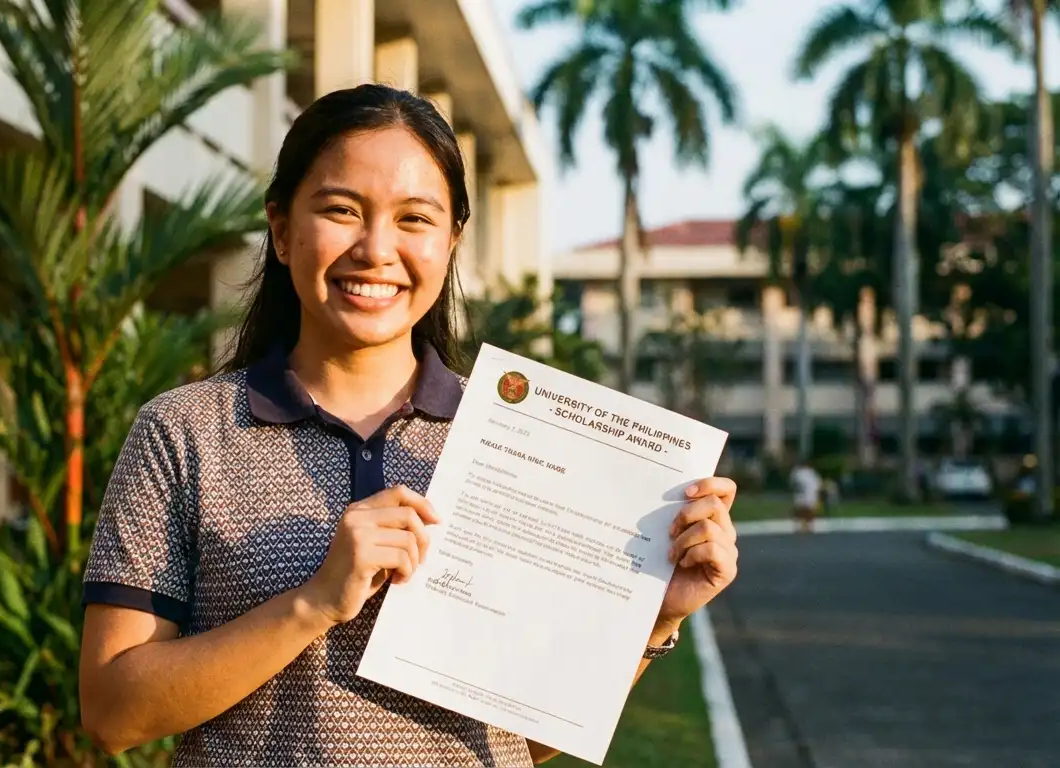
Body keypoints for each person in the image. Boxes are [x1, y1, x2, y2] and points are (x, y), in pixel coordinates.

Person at [77, 84, 741, 766]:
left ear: (452, 240)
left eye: (415, 219)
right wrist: (314, 603)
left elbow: (524, 739)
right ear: (281, 229)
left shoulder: (518, 444)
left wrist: (655, 617)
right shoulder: (184, 433)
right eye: (341, 210)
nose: (375, 248)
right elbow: (111, 711)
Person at [789, 459, 822, 533]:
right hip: (808, 498)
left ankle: (803, 527)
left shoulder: (796, 473)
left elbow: (792, 484)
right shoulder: (810, 473)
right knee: (807, 515)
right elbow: (817, 486)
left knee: (801, 514)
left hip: (801, 498)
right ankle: (806, 527)